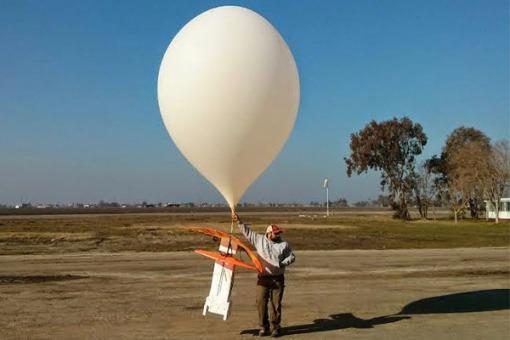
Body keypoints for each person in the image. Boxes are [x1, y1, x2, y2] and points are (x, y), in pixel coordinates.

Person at [232, 212, 295, 337]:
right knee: (260, 302)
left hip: (278, 279)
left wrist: (283, 263)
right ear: (268, 233)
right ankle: (263, 327)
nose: (278, 235)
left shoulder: (284, 245)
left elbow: (292, 256)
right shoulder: (259, 240)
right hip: (263, 278)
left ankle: (275, 327)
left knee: (275, 304)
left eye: (279, 233)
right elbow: (247, 232)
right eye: (275, 233)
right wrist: (238, 221)